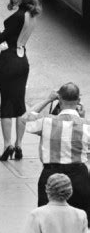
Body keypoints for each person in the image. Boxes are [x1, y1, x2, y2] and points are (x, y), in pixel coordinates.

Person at [23, 83, 90, 225]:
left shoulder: (47, 122)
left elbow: (26, 118)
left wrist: (48, 99)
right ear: (78, 101)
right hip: (79, 177)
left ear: (59, 100)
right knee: (81, 221)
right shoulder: (86, 125)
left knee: (47, 220)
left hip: (51, 174)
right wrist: (81, 116)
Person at [0, 0, 41, 160]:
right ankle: (19, 145)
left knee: (7, 105)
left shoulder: (17, 16)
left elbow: (0, 38)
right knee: (20, 104)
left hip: (9, 60)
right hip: (22, 59)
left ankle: (7, 145)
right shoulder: (31, 13)